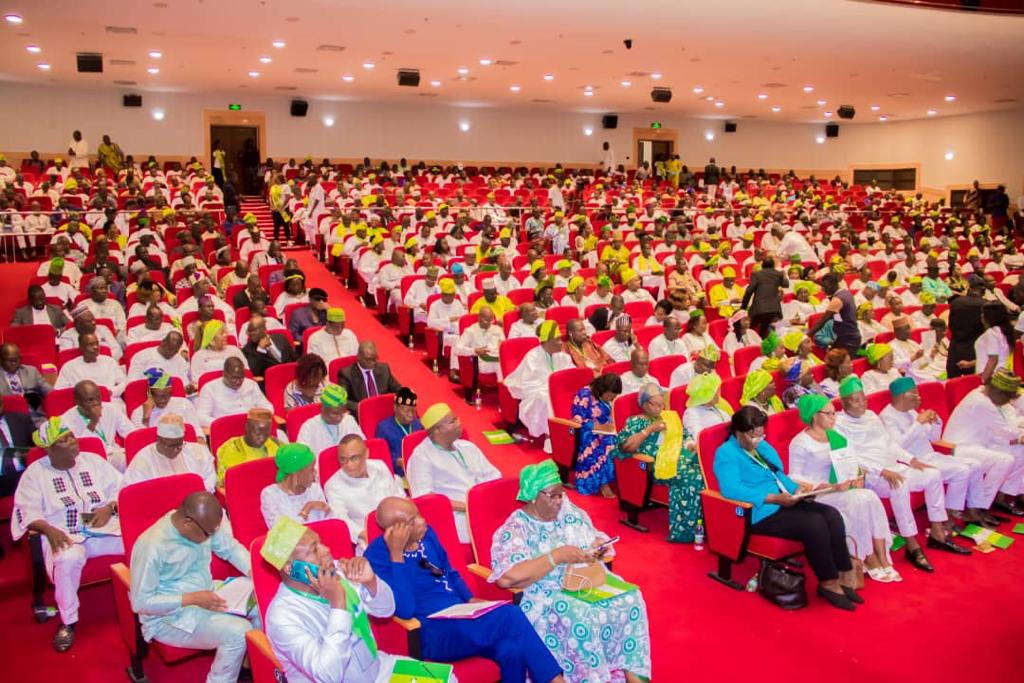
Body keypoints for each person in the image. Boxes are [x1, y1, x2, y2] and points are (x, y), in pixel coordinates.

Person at [365, 496, 564, 683]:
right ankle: (557, 680)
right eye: (412, 520)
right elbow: (405, 610)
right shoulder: (377, 556)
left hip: (462, 616)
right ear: (395, 531)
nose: (422, 520)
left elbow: (447, 570)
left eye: (418, 513)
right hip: (432, 632)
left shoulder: (426, 534)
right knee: (509, 615)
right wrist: (396, 554)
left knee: (511, 649)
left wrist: (469, 600)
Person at [490, 459, 651, 681]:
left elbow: (593, 534)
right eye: (552, 495)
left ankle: (633, 676)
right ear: (533, 496)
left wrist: (596, 548)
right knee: (584, 615)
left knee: (632, 598)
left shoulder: (568, 511)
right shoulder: (516, 528)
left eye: (561, 494)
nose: (559, 501)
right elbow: (507, 578)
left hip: (584, 579)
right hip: (546, 595)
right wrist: (557, 556)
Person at [714, 407, 862, 610]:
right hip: (758, 511)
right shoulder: (726, 453)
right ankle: (828, 583)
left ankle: (844, 575)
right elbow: (731, 489)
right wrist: (774, 498)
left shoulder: (761, 447)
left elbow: (779, 475)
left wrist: (798, 490)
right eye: (753, 435)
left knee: (831, 514)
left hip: (782, 500)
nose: (758, 439)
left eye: (761, 434)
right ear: (739, 432)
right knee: (813, 523)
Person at [834, 376, 969, 572]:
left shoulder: (872, 416)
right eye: (856, 400)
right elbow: (850, 457)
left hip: (893, 467)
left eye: (864, 398)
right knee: (900, 484)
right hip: (871, 475)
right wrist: (881, 470)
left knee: (932, 474)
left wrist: (910, 459)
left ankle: (938, 533)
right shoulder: (838, 423)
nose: (862, 403)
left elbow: (889, 444)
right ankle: (912, 544)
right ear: (844, 403)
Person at [262, 516, 417, 683]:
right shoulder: (282, 617)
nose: (327, 550)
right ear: (291, 568)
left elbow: (386, 609)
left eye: (320, 543)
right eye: (314, 550)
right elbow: (328, 675)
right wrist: (338, 605)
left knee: (447, 680)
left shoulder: (337, 571)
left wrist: (371, 582)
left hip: (377, 669)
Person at [12, 419, 123, 650]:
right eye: (64, 440)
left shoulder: (92, 461)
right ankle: (68, 621)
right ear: (49, 449)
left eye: (72, 436)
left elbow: (121, 486)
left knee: (138, 541)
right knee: (67, 559)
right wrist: (47, 529)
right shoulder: (36, 473)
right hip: (63, 532)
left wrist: (109, 506)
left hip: (102, 527)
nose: (73, 442)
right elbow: (26, 509)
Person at [129, 491, 253, 683]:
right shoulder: (152, 545)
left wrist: (253, 572)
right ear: (188, 523)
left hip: (207, 592)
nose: (210, 537)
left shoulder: (203, 524)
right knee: (239, 631)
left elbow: (230, 548)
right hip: (169, 617)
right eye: (208, 533)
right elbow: (141, 602)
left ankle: (245, 668)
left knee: (260, 602)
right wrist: (193, 599)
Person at [789, 394, 899, 582]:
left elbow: (851, 462)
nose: (834, 417)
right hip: (819, 494)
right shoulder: (801, 442)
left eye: (834, 413)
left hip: (841, 489)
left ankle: (883, 557)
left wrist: (857, 476)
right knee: (859, 500)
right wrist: (825, 485)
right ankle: (866, 557)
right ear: (815, 416)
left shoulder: (837, 437)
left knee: (869, 497)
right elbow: (794, 476)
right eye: (829, 414)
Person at [881, 377, 994, 527]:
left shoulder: (911, 412)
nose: (918, 396)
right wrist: (918, 423)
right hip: (912, 463)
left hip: (931, 456)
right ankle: (948, 515)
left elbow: (934, 438)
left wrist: (936, 423)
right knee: (961, 470)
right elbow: (898, 446)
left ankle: (973, 509)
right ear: (903, 396)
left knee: (975, 464)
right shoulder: (886, 417)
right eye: (914, 393)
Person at [616, 383, 703, 544]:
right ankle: (684, 531)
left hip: (680, 455)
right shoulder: (635, 421)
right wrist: (649, 429)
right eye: (656, 404)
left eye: (662, 403)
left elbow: (685, 437)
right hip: (655, 463)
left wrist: (692, 446)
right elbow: (625, 447)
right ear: (644, 404)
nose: (660, 408)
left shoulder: (669, 417)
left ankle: (703, 525)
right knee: (690, 477)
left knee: (704, 470)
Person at [406, 403, 500, 542]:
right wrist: (468, 506)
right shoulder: (421, 457)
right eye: (452, 421)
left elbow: (493, 475)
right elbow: (425, 498)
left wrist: (487, 500)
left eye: (457, 418)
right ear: (437, 430)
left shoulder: (467, 447)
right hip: (455, 517)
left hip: (485, 507)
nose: (459, 423)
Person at [943, 368, 1024, 517]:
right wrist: (1019, 436)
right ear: (999, 392)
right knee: (1004, 460)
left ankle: (1001, 497)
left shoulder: (983, 394)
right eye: (1008, 397)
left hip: (980, 443)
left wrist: (1018, 437)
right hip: (959, 448)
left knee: (1020, 450)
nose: (1009, 402)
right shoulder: (981, 402)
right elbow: (1006, 432)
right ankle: (980, 506)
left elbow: (1003, 431)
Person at [325, 435, 406, 548]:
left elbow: (398, 495)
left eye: (354, 458)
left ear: (366, 454)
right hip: (369, 538)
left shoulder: (380, 466)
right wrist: (364, 534)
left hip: (400, 527)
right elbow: (340, 519)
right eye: (343, 459)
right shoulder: (333, 485)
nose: (349, 464)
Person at [503, 321, 574, 448]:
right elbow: (530, 385)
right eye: (558, 340)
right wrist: (552, 388)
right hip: (535, 394)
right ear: (548, 341)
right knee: (547, 397)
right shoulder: (533, 357)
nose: (561, 343)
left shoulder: (564, 357)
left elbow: (571, 376)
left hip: (556, 391)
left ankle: (570, 431)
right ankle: (550, 435)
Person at [123, 413, 216, 492]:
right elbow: (134, 492)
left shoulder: (197, 451)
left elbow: (210, 476)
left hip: (194, 503)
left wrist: (196, 492)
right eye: (170, 446)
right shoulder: (143, 461)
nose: (175, 450)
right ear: (158, 440)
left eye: (179, 445)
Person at [60, 380, 134, 471]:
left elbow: (131, 432)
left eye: (98, 397)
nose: (96, 403)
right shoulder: (66, 420)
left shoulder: (111, 409)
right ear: (77, 401)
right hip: (88, 462)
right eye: (90, 400)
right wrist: (93, 422)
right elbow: (81, 450)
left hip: (115, 455)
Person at [571, 373, 621, 498]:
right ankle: (603, 484)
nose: (611, 398)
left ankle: (619, 481)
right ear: (603, 388)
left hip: (605, 430)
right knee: (608, 443)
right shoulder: (584, 394)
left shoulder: (608, 398)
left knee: (622, 440)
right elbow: (577, 420)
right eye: (610, 394)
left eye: (614, 396)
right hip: (586, 432)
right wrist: (597, 427)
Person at [260, 443, 332, 529]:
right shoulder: (270, 495)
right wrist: (307, 508)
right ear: (296, 473)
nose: (315, 474)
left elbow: (328, 524)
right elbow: (281, 533)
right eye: (311, 469)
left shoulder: (315, 489)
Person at [196, 357, 272, 429]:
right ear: (224, 374)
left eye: (241, 377)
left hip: (252, 427)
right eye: (234, 378)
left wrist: (259, 418)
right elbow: (201, 417)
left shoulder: (251, 384)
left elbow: (267, 406)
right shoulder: (209, 389)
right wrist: (225, 424)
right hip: (225, 429)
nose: (238, 381)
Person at [215, 407, 279, 487]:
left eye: (266, 434)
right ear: (247, 427)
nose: (262, 438)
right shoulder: (231, 448)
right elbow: (229, 483)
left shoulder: (276, 444)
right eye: (257, 433)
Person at [296, 383, 364, 456]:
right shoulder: (308, 428)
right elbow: (304, 461)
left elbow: (362, 446)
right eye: (335, 414)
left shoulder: (349, 420)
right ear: (322, 408)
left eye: (342, 413)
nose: (339, 418)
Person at [129, 367, 202, 435]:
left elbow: (197, 430)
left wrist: (200, 440)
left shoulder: (184, 403)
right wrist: (146, 419)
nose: (164, 399)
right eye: (159, 395)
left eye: (168, 394)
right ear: (149, 393)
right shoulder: (138, 413)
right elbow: (141, 442)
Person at [55, 332, 128, 398]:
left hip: (112, 400)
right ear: (81, 348)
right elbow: (59, 391)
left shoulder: (110, 362)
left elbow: (125, 382)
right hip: (83, 404)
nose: (96, 347)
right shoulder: (69, 367)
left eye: (97, 343)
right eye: (90, 344)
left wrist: (111, 392)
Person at [809, 272, 861, 357]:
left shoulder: (837, 300)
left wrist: (806, 335)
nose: (824, 289)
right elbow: (838, 316)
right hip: (850, 337)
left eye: (826, 286)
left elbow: (821, 322)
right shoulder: (846, 293)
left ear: (833, 284)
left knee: (838, 363)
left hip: (847, 339)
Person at [373, 387, 422, 474]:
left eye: (413, 410)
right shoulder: (383, 428)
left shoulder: (418, 424)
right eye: (406, 410)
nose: (410, 414)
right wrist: (397, 461)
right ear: (395, 408)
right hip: (397, 474)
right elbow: (380, 456)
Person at [0, 342, 52, 422]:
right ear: (1, 359)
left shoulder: (31, 371)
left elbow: (51, 393)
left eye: (17, 360)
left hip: (36, 419)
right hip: (10, 422)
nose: (14, 363)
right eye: (10, 360)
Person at [337, 341, 403, 404]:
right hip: (361, 413)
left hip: (382, 410)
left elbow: (398, 389)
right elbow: (343, 400)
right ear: (358, 357)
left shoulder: (384, 369)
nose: (372, 363)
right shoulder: (346, 374)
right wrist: (362, 408)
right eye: (368, 359)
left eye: (374, 358)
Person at [946, 275, 986, 378]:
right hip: (974, 348)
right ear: (982, 291)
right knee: (972, 383)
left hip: (955, 348)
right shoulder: (985, 305)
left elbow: (951, 325)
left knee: (953, 382)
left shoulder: (955, 302)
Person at [242, 313, 298, 382]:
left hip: (292, 377)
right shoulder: (248, 350)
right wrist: (260, 350)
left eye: (253, 330)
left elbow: (294, 358)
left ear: (264, 329)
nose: (249, 333)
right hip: (273, 382)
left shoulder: (281, 337)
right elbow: (255, 373)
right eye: (248, 330)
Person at [741, 256, 788, 336]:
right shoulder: (778, 274)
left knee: (749, 329)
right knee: (764, 330)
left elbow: (749, 291)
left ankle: (749, 344)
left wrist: (743, 308)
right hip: (774, 309)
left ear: (762, 266)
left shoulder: (756, 274)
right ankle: (759, 344)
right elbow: (786, 284)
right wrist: (784, 275)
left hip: (759, 308)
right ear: (773, 266)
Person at [453, 305, 504, 376]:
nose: (489, 323)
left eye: (491, 320)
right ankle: (503, 386)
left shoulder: (497, 329)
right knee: (501, 365)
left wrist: (502, 345)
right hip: (481, 361)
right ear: (479, 318)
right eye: (486, 321)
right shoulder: (470, 331)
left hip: (496, 357)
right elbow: (457, 349)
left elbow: (503, 343)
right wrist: (475, 350)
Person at [682, 372, 733, 439]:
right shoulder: (691, 414)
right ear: (708, 395)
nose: (719, 394)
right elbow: (699, 438)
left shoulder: (716, 405)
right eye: (717, 391)